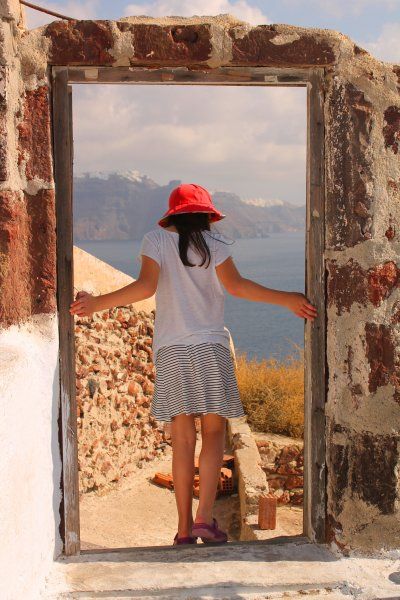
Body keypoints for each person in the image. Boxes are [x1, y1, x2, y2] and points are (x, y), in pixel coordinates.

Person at [70, 183, 317, 547]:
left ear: (172, 215)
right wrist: (288, 300)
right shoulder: (216, 245)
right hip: (210, 349)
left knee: (182, 441)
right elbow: (237, 287)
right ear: (207, 214)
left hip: (171, 351)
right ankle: (205, 519)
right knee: (215, 434)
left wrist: (95, 304)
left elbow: (144, 288)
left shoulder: (154, 240)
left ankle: (184, 531)